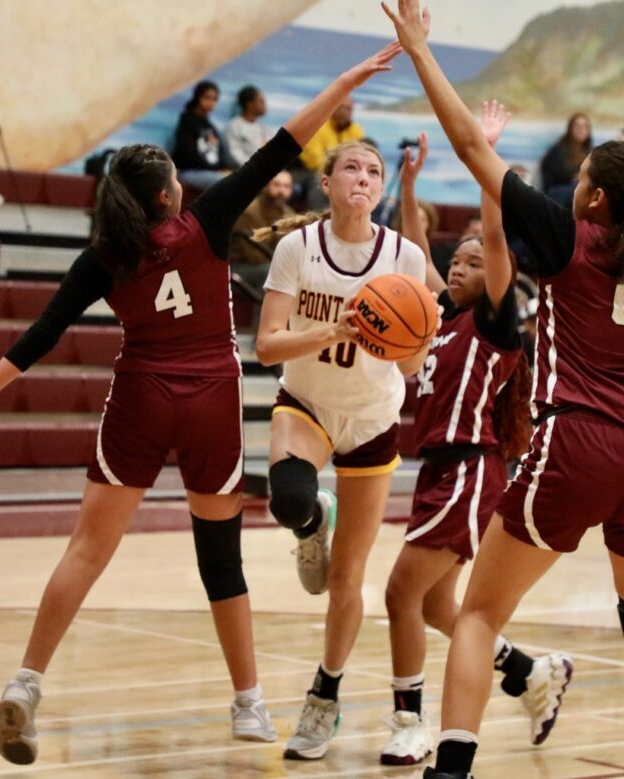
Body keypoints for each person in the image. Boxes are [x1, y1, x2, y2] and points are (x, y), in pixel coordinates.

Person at [0, 40, 403, 767]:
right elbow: (285, 143)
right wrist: (349, 78)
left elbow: (42, 334)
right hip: (207, 399)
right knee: (219, 559)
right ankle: (250, 704)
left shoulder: (104, 252)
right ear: (170, 194)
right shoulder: (207, 218)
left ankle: (28, 679)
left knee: (86, 549)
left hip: (140, 394)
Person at [383, 2, 624, 778]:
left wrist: (422, 48)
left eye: (583, 180)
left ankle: (451, 770)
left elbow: (469, 144)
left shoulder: (574, 238)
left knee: (478, 615)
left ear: (595, 199)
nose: (574, 187)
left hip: (577, 444)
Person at [380, 126, 571, 767]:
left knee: (400, 595)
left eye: (468, 263)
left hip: (468, 470)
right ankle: (529, 671)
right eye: (451, 263)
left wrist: (489, 181)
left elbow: (493, 242)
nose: (456, 269)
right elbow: (412, 252)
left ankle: (409, 721)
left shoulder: (494, 319)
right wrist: (408, 185)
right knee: (438, 605)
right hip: (439, 472)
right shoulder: (437, 314)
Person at [254, 138, 429, 760]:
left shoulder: (403, 257)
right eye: (351, 167)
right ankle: (309, 522)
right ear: (326, 183)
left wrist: (409, 333)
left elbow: (410, 366)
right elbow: (267, 346)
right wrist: (337, 327)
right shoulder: (296, 248)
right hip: (305, 401)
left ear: (380, 190)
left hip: (371, 417)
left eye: (374, 171)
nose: (362, 176)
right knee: (289, 500)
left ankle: (323, 698)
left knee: (348, 578)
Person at [229, 169, 296, 292]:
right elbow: (254, 256)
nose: (281, 191)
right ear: (266, 186)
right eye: (276, 185)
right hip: (239, 267)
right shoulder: (249, 212)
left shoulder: (290, 215)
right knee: (269, 272)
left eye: (286, 186)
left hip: (269, 265)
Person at [295, 97, 366, 209]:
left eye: (349, 109)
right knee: (319, 181)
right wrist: (340, 170)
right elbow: (313, 161)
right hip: (308, 171)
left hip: (340, 171)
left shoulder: (355, 130)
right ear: (333, 107)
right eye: (342, 107)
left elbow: (361, 156)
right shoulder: (317, 125)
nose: (345, 112)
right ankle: (316, 218)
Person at [171, 80, 240, 190]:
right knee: (223, 182)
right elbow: (186, 155)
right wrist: (215, 168)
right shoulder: (187, 122)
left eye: (214, 99)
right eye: (207, 97)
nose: (211, 102)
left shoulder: (211, 126)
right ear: (197, 97)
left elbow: (223, 155)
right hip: (190, 172)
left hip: (211, 172)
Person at [539, 112, 593, 206]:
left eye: (584, 127)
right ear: (570, 129)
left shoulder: (589, 151)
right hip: (556, 192)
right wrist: (582, 177)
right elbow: (562, 175)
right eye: (577, 126)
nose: (581, 130)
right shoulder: (558, 149)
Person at [225, 85, 272, 168]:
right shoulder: (234, 126)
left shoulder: (262, 128)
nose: (265, 105)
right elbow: (234, 155)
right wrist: (256, 168)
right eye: (261, 101)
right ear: (250, 104)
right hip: (245, 172)